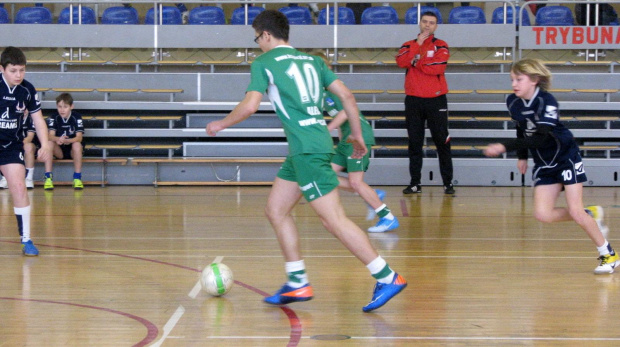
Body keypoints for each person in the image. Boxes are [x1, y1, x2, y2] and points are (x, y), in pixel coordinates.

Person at [206, 10, 407, 312]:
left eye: (257, 37)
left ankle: (387, 275)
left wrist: (220, 124)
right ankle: (297, 281)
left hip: (307, 149)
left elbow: (249, 106)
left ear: (267, 35)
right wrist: (357, 135)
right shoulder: (314, 62)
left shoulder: (264, 62)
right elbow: (348, 97)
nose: (258, 43)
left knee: (333, 220)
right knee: (276, 210)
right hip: (307, 148)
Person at [484, 59, 618, 274]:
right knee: (543, 214)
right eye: (512, 80)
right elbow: (522, 129)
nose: (514, 84)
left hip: (565, 157)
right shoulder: (512, 102)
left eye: (519, 79)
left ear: (535, 80)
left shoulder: (548, 101)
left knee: (575, 210)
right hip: (543, 162)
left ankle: (608, 255)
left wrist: (503, 146)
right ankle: (589, 213)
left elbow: (539, 138)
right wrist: (522, 157)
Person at [313, 51, 399, 233]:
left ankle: (387, 217)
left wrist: (326, 130)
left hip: (357, 136)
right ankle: (373, 195)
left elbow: (346, 112)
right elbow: (339, 115)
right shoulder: (321, 91)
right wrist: (337, 136)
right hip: (346, 138)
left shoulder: (334, 86)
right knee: (325, 175)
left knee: (356, 182)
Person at [396, 11, 454, 196]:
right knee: (414, 143)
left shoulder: (441, 45)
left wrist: (417, 62)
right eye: (425, 22)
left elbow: (438, 67)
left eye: (432, 23)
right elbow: (402, 62)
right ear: (420, 23)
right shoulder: (408, 44)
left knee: (442, 142)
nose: (428, 25)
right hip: (413, 100)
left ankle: (447, 183)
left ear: (436, 26)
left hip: (436, 100)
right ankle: (415, 183)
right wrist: (417, 48)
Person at [0, 46, 51, 256]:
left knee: (20, 187)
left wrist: (46, 144)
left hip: (11, 147)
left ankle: (26, 239)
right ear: (2, 69)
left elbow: (38, 119)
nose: (18, 75)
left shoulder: (27, 89)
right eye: (13, 71)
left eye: (22, 70)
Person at [43, 93, 85, 190]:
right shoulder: (54, 116)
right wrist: (59, 139)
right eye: (59, 107)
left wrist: (68, 140)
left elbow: (79, 138)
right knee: (49, 143)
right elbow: (50, 136)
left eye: (65, 107)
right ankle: (48, 178)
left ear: (71, 106)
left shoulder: (76, 116)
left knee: (77, 145)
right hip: (59, 150)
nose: (62, 110)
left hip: (72, 150)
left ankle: (77, 178)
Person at [0, 109, 36, 189]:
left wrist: (18, 144)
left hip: (27, 144)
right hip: (13, 144)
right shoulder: (11, 116)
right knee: (5, 145)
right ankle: (5, 178)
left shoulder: (31, 118)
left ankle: (28, 179)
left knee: (28, 147)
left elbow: (30, 137)